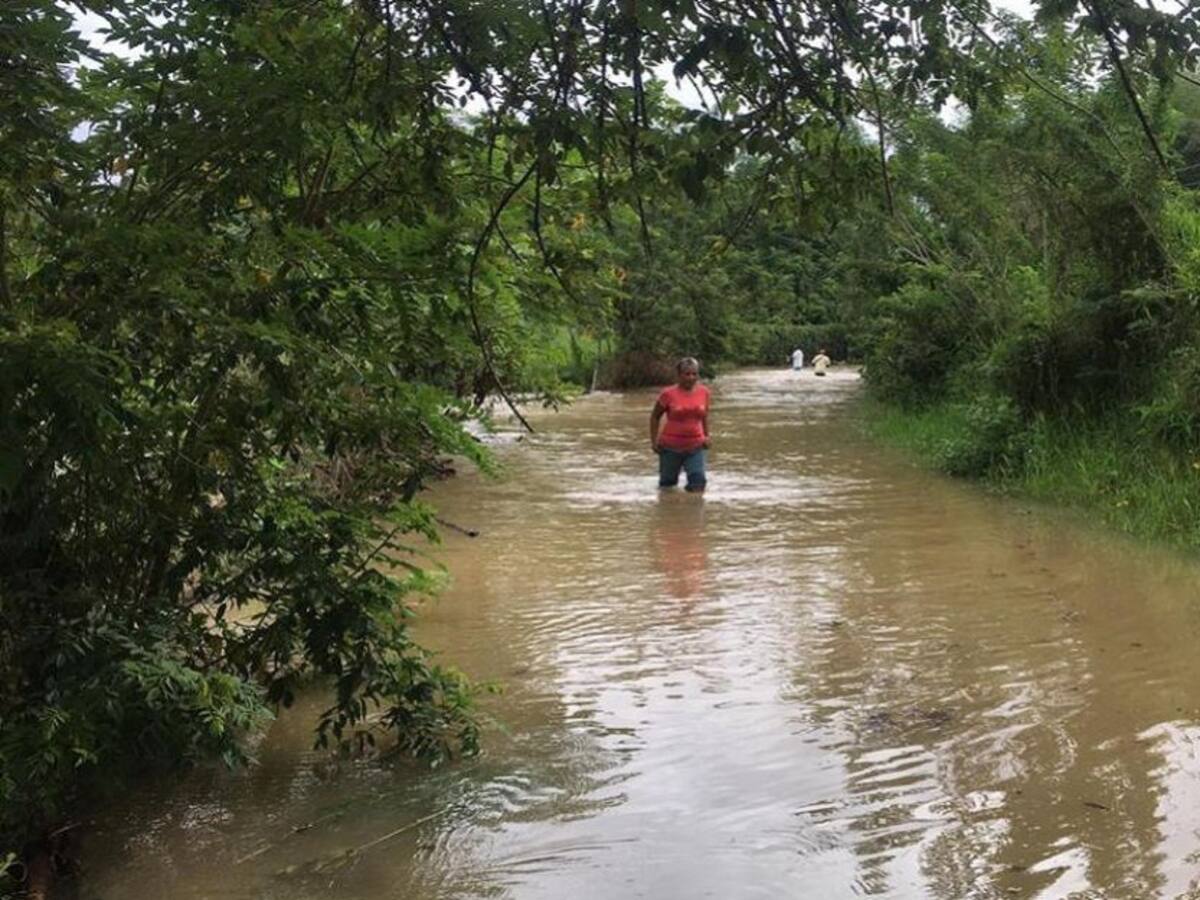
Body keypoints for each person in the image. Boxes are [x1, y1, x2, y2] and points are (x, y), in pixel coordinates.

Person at [649, 357, 710, 493]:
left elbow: (704, 415)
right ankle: (670, 506)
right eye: (687, 374)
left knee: (698, 483)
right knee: (667, 487)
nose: (691, 377)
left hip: (696, 445)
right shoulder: (668, 394)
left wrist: (707, 436)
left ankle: (692, 507)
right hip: (670, 447)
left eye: (694, 374)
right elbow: (655, 417)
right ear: (679, 375)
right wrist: (654, 441)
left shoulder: (704, 392)